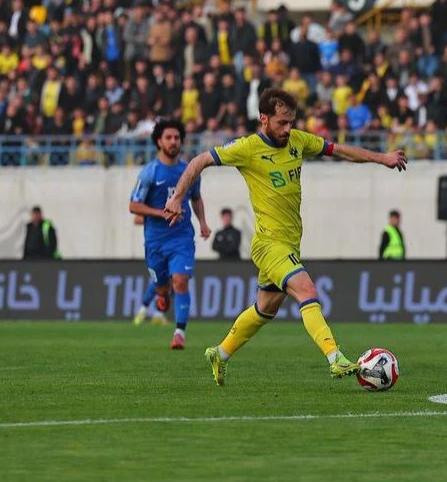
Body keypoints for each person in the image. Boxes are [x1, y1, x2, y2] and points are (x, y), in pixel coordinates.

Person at [164, 89, 407, 386]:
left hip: (290, 243)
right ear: (263, 119)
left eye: (291, 122)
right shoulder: (247, 148)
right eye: (282, 123)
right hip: (269, 244)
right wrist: (177, 197)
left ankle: (220, 353)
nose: (288, 129)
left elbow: (339, 150)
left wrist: (382, 158)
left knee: (265, 309)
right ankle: (335, 357)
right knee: (306, 289)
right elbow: (200, 160)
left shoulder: (298, 141)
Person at [129, 120, 211, 349]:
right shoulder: (149, 172)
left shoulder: (189, 170)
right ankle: (162, 295)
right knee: (162, 288)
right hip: (155, 242)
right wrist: (161, 212)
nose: (173, 141)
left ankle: (179, 333)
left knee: (181, 280)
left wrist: (203, 222)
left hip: (181, 238)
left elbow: (196, 197)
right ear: (159, 141)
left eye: (177, 137)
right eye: (168, 137)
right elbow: (133, 206)